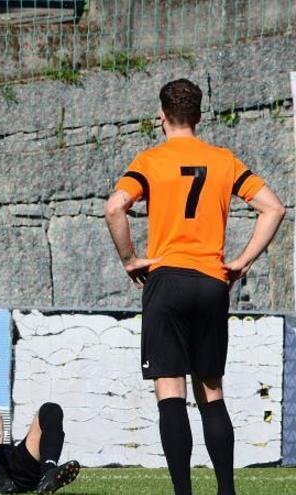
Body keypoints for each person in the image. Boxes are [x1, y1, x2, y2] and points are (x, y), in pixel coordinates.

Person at [104, 78, 285, 495]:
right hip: (210, 281)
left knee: (170, 389)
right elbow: (273, 208)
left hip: (166, 280)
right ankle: (226, 490)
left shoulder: (150, 160)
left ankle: (183, 492)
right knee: (211, 389)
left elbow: (116, 206)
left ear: (161, 116)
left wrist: (131, 260)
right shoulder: (222, 160)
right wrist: (240, 261)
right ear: (200, 116)